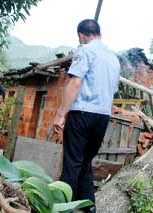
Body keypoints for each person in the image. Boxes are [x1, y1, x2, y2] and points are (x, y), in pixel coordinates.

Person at [53, 19, 120, 212]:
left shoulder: (84, 50)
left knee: (72, 163)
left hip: (82, 113)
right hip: (102, 117)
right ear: (99, 33)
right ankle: (89, 205)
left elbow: (75, 83)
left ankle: (64, 207)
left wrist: (60, 114)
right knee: (85, 162)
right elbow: (112, 90)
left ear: (81, 35)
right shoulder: (113, 59)